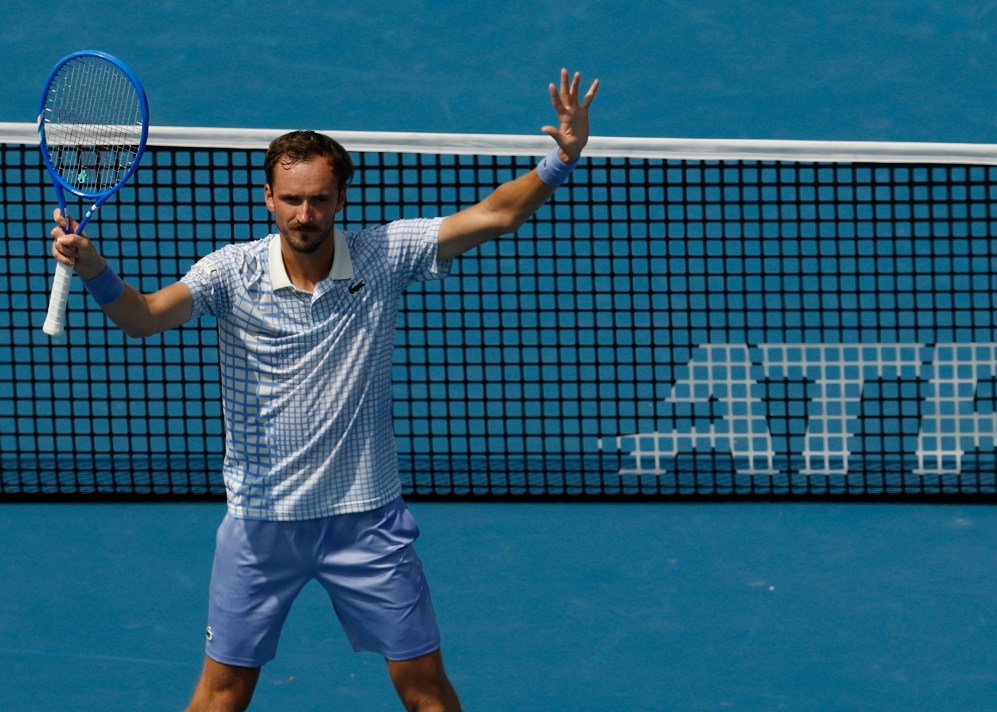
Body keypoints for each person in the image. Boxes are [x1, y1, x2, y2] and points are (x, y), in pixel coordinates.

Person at [49, 69, 598, 711]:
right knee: (221, 693)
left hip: (366, 517)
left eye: (318, 199)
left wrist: (562, 155)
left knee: (423, 688)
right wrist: (96, 272)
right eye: (290, 199)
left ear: (339, 199)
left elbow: (498, 214)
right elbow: (143, 318)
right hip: (261, 522)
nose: (304, 214)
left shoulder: (383, 255)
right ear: (268, 198)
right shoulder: (232, 272)